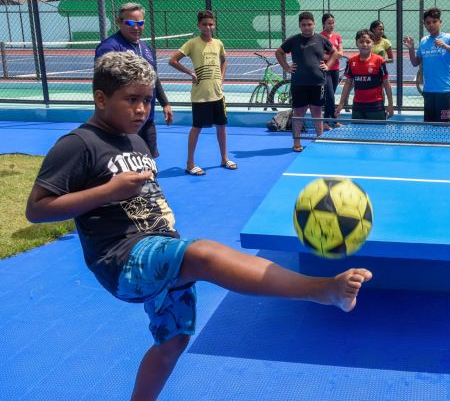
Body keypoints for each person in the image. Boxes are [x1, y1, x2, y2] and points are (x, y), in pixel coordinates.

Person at [25, 51, 372, 401]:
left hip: (160, 248)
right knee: (202, 255)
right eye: (131, 100)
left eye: (147, 100)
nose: (142, 109)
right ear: (101, 98)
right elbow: (37, 209)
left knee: (172, 343)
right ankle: (320, 290)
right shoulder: (78, 144)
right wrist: (107, 191)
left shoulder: (136, 139)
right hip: (123, 260)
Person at [95, 2, 173, 157]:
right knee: (126, 166)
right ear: (119, 22)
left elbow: (153, 78)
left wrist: (165, 103)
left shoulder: (146, 48)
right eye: (130, 22)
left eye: (140, 23)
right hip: (122, 121)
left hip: (146, 118)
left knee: (149, 163)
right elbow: (103, 84)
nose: (136, 27)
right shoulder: (110, 47)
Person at [168, 10, 236, 176]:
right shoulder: (192, 43)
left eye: (210, 24)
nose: (208, 27)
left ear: (214, 25)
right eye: (204, 24)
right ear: (199, 25)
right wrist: (190, 73)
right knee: (196, 128)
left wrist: (221, 78)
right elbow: (172, 60)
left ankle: (224, 158)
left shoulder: (219, 43)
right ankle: (190, 164)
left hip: (217, 94)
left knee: (222, 127)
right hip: (200, 96)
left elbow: (224, 59)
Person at [275, 12, 335, 152]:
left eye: (309, 24)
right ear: (299, 26)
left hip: (318, 83)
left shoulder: (321, 39)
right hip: (299, 84)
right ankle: (297, 142)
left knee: (317, 111)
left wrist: (328, 65)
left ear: (314, 24)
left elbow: (335, 52)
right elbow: (279, 52)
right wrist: (287, 67)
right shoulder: (294, 40)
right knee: (299, 113)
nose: (307, 27)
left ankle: (319, 138)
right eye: (304, 25)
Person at [402, 7, 450, 123]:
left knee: (445, 126)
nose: (431, 25)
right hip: (428, 91)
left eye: (434, 21)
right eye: (428, 23)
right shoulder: (424, 41)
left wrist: (445, 46)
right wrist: (411, 48)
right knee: (429, 126)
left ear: (440, 22)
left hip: (445, 91)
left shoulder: (449, 38)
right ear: (424, 25)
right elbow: (415, 62)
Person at [335, 29, 394, 121]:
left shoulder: (379, 61)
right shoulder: (351, 61)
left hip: (376, 106)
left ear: (373, 43)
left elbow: (386, 83)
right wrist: (341, 104)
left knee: (378, 134)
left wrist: (390, 104)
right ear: (356, 43)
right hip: (358, 107)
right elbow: (348, 84)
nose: (364, 44)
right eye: (361, 42)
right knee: (358, 134)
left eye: (368, 42)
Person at [320, 13, 344, 129]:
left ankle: (326, 121)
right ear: (324, 24)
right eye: (329, 23)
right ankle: (331, 121)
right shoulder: (319, 37)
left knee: (331, 96)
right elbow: (320, 56)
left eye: (333, 22)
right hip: (325, 70)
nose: (331, 25)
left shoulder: (337, 36)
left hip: (335, 70)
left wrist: (330, 55)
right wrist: (333, 55)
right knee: (329, 96)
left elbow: (341, 54)